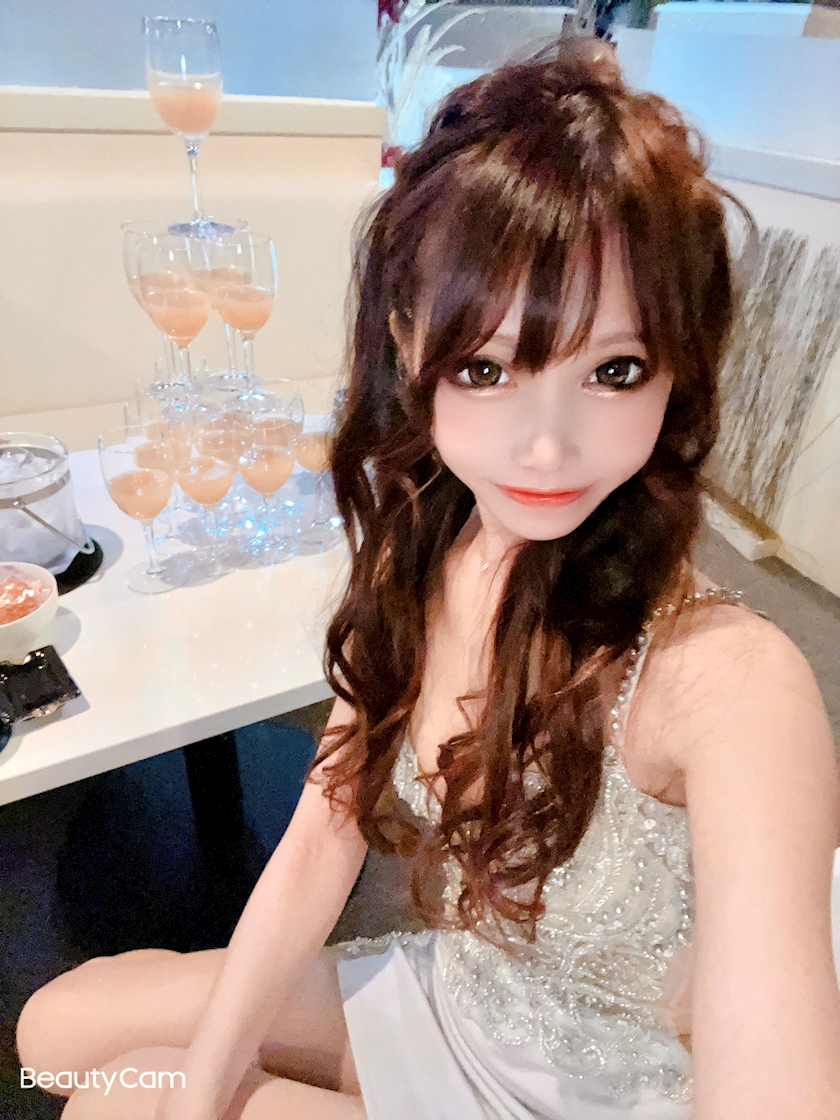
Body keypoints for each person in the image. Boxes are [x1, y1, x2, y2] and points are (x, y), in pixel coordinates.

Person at [17, 41, 840, 1120]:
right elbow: (321, 835)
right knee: (55, 1032)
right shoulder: (430, 548)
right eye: (486, 368)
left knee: (113, 1103)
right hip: (459, 1001)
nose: (546, 445)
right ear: (411, 347)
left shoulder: (733, 687)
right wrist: (208, 1082)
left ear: (677, 369)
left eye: (615, 369)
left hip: (591, 1095)